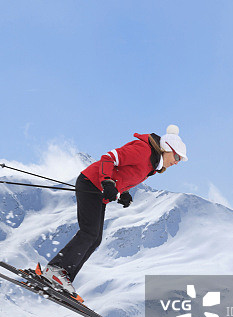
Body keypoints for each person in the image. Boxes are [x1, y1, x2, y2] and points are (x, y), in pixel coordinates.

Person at [42, 125, 188, 298]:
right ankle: (56, 270)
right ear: (166, 148)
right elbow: (109, 158)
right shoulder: (143, 150)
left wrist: (122, 193)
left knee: (95, 239)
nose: (177, 162)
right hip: (90, 182)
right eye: (177, 156)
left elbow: (124, 173)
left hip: (97, 189)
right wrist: (107, 182)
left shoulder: (152, 164)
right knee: (89, 233)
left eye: (180, 159)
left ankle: (62, 278)